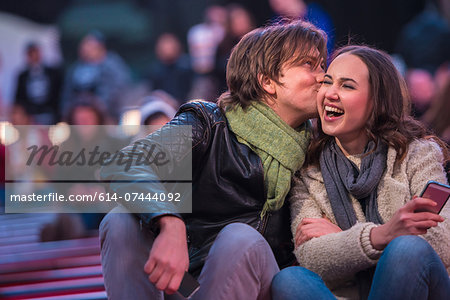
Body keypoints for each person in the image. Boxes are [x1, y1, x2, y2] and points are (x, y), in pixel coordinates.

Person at [99, 19, 327, 300]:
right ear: (267, 81)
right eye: (309, 64)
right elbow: (124, 163)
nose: (323, 77)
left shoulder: (321, 146)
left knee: (239, 239)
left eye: (322, 66)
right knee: (121, 221)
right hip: (186, 284)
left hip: (262, 285)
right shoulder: (208, 124)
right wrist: (169, 221)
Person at [271, 45, 450, 300]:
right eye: (328, 82)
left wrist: (346, 238)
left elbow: (440, 242)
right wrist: (383, 234)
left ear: (377, 101)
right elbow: (311, 256)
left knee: (407, 249)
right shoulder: (309, 167)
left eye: (347, 86)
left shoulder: (418, 153)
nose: (330, 93)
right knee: (290, 279)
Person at [14, 42, 62, 124]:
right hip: (29, 115)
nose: (34, 56)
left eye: (36, 53)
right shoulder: (22, 76)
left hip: (49, 113)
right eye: (31, 54)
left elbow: (58, 93)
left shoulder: (53, 73)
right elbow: (18, 97)